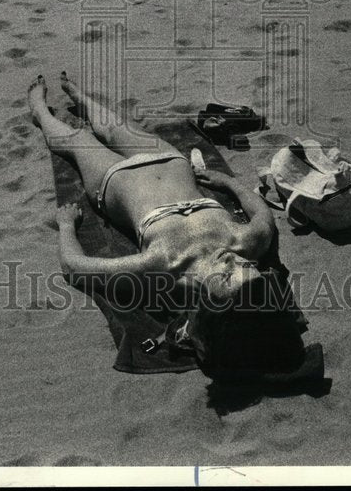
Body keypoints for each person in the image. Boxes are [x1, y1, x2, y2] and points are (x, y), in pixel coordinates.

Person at [28, 73, 305, 378]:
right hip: (170, 162)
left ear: (210, 303)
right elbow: (263, 214)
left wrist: (67, 226)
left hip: (118, 181)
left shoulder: (162, 265)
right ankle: (82, 99)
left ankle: (39, 111)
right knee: (115, 127)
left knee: (79, 141)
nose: (233, 260)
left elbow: (74, 267)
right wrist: (229, 184)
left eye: (227, 276)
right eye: (247, 266)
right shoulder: (247, 242)